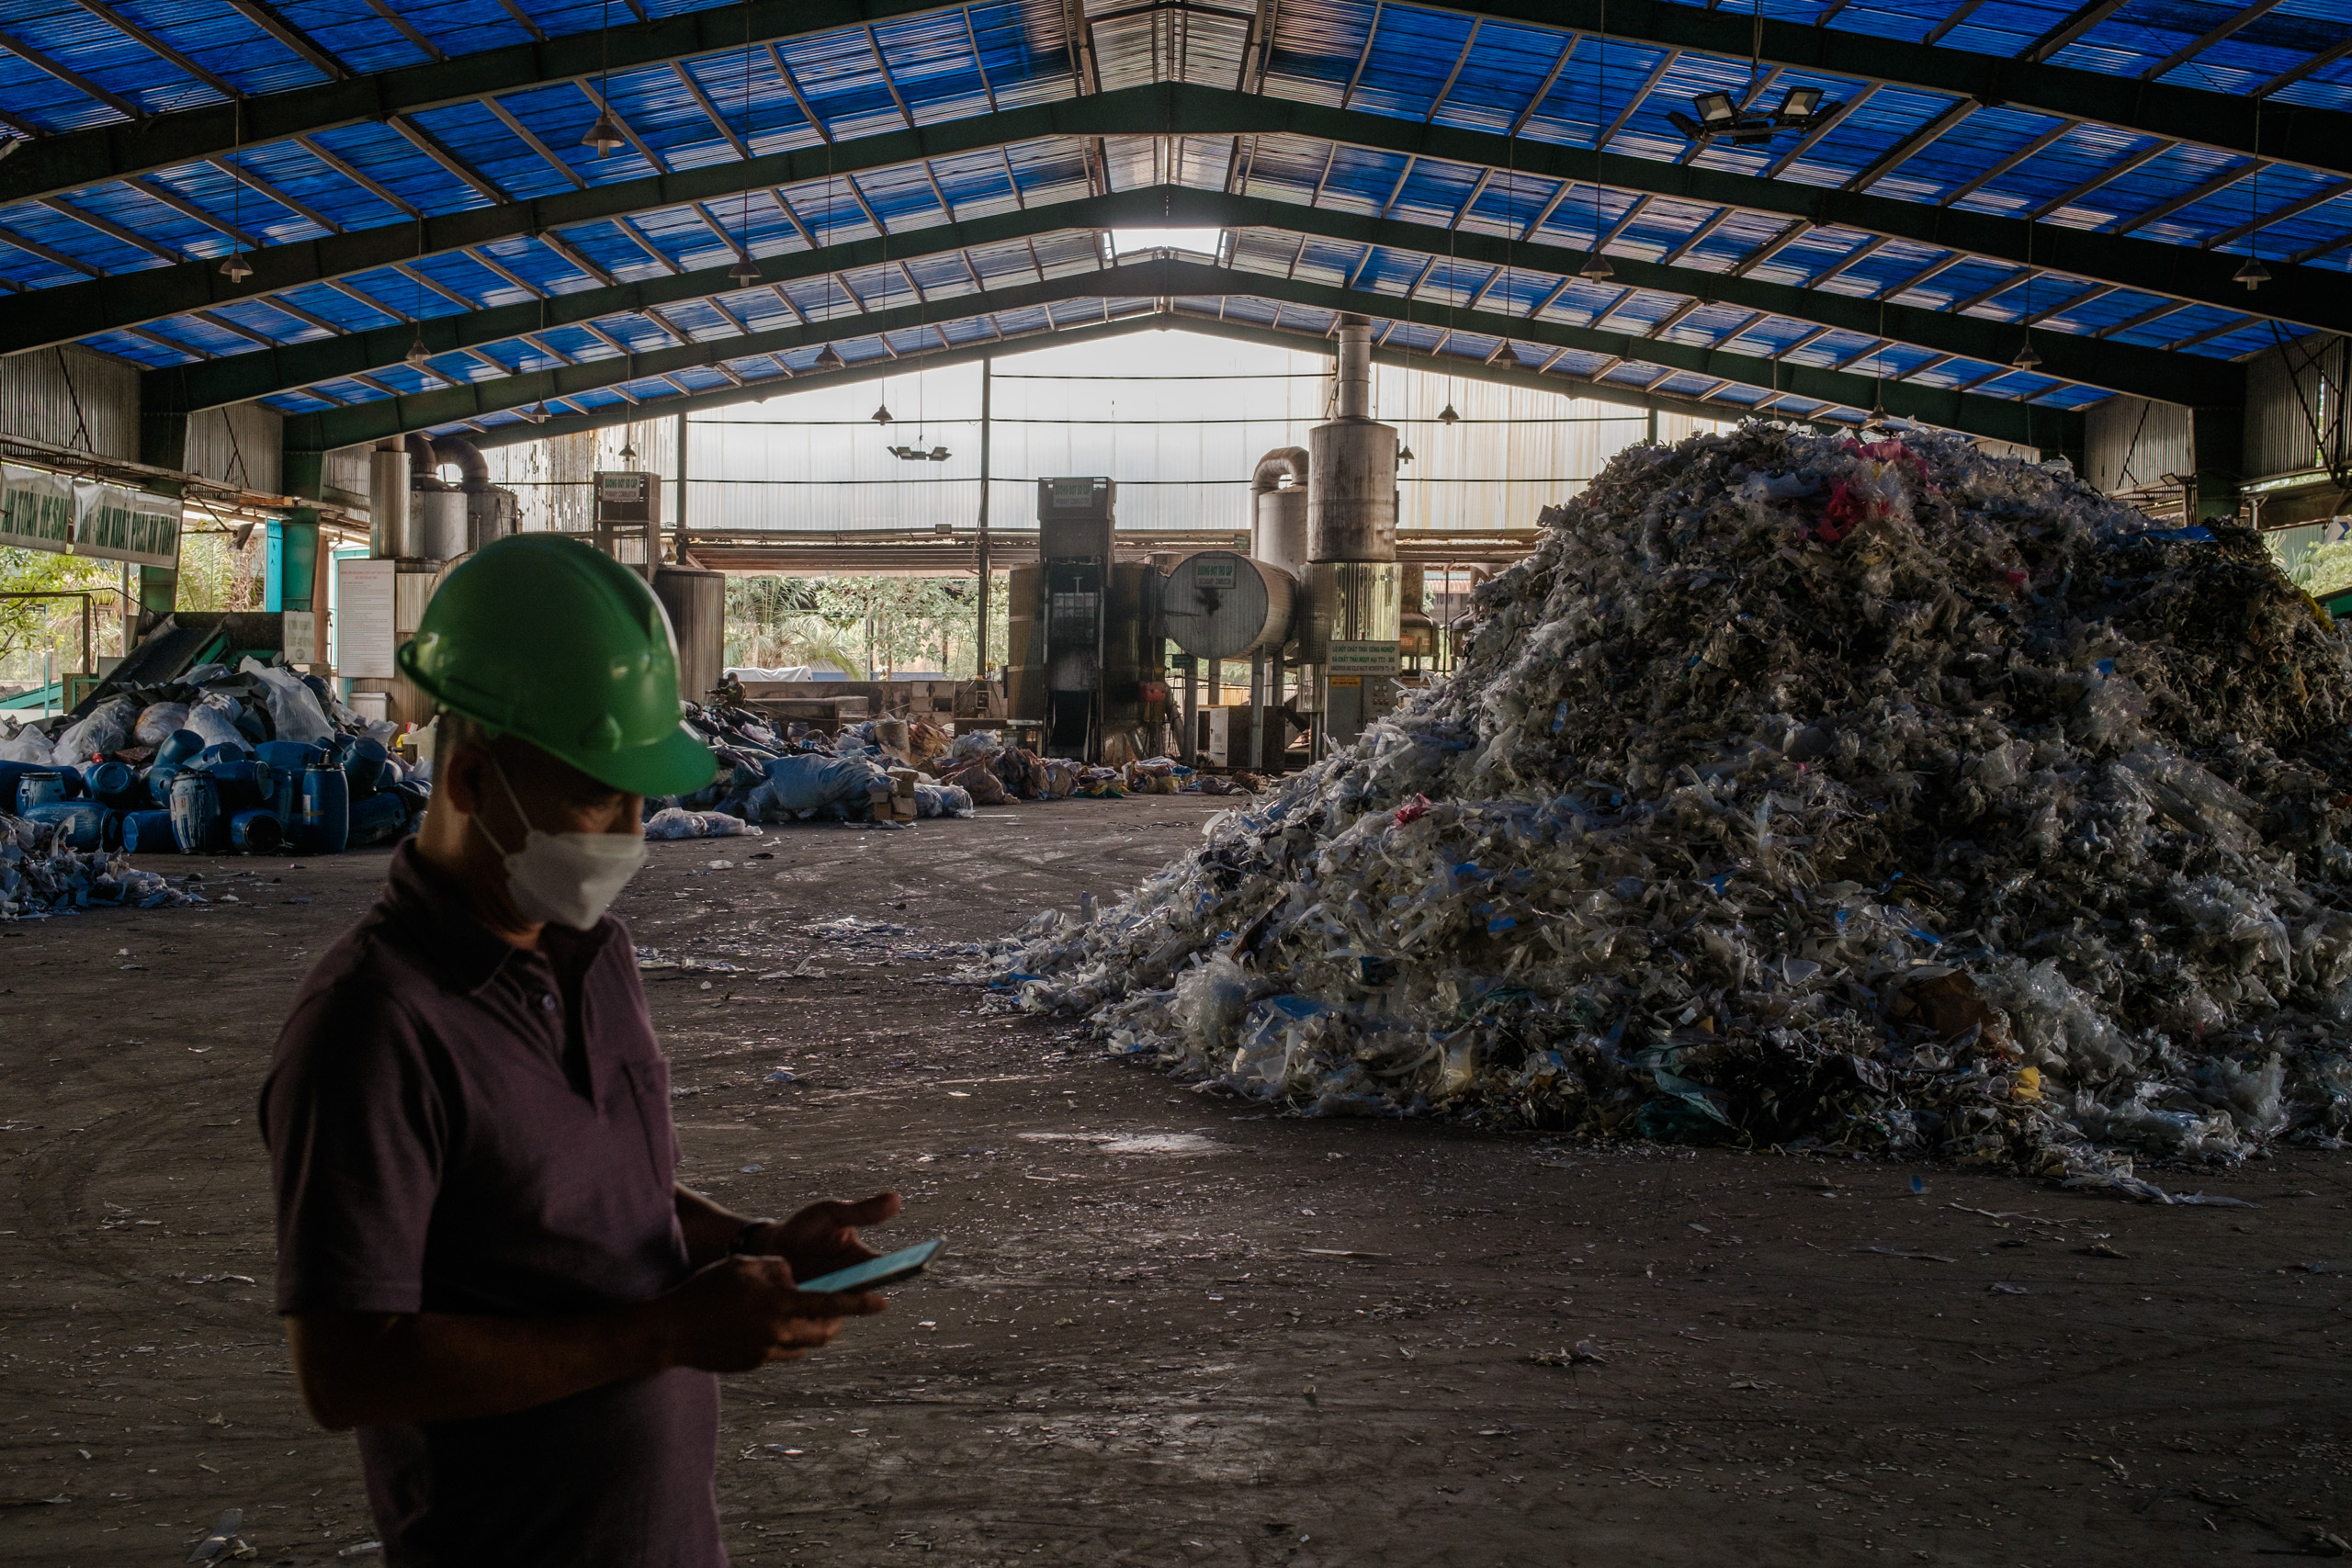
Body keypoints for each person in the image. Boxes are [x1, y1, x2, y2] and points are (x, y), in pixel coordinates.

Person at [261, 535, 901, 1567]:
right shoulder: (375, 1024)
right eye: (602, 794)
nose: (633, 828)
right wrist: (667, 1336)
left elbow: (598, 1201)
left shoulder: (595, 957)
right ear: (470, 779)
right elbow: (349, 1372)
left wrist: (752, 1246)